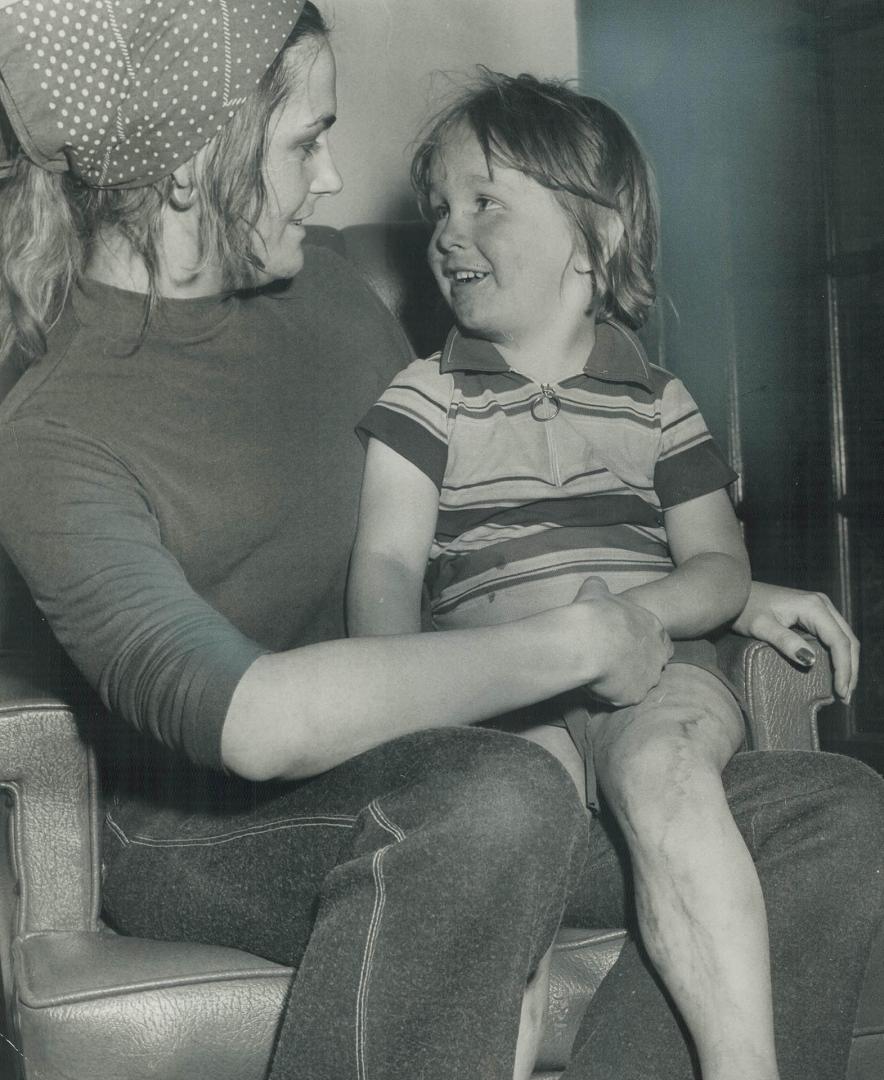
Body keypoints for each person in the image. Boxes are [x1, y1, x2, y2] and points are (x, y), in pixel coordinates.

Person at [0, 4, 880, 1080]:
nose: (329, 181)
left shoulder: (317, 287)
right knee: (495, 797)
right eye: (305, 141)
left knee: (829, 814)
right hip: (211, 823)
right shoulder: (50, 432)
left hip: (463, 756)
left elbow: (483, 478)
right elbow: (250, 723)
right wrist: (579, 643)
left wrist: (715, 593)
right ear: (193, 165)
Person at [346, 71, 767, 1079]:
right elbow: (386, 562)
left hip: (656, 676)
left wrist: (622, 616)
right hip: (494, 690)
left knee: (662, 781)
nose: (449, 232)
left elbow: (719, 570)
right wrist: (394, 696)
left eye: (485, 201)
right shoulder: (425, 395)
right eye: (439, 209)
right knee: (505, 831)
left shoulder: (656, 400)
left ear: (597, 234)